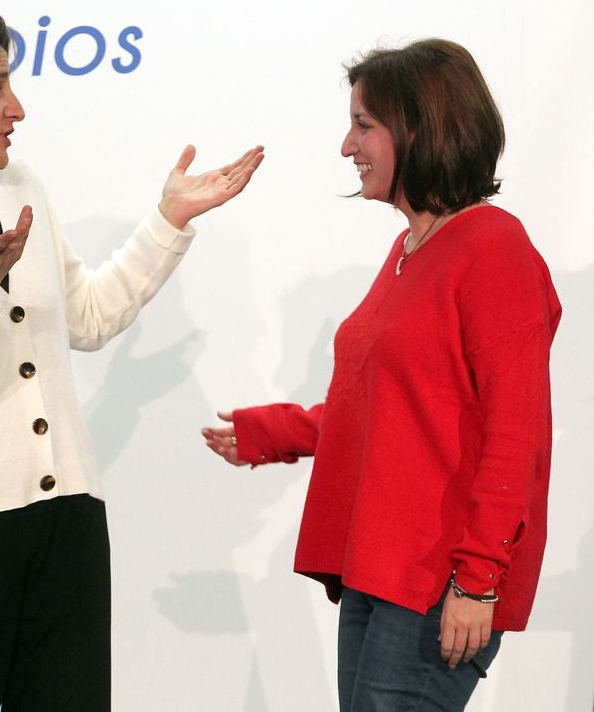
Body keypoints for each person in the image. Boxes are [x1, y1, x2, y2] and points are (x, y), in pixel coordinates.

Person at [0, 6, 263, 711]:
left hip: (63, 526)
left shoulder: (20, 187)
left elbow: (87, 315)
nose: (17, 109)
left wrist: (168, 223)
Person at [202, 39, 560, 711]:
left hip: (438, 579)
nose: (347, 145)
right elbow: (387, 404)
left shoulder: (492, 248)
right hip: (383, 570)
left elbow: (518, 432)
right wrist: (275, 433)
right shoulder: (409, 248)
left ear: (420, 130)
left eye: (363, 125)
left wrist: (479, 579)